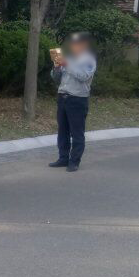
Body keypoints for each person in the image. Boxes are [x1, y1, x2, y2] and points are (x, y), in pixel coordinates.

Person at [49, 32, 97, 172]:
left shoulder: (89, 60)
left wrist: (67, 64)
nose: (74, 46)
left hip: (77, 99)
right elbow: (56, 78)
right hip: (63, 97)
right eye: (73, 43)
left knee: (76, 132)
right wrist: (56, 67)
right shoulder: (68, 58)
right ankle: (63, 158)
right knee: (62, 130)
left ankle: (74, 161)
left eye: (77, 43)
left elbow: (83, 76)